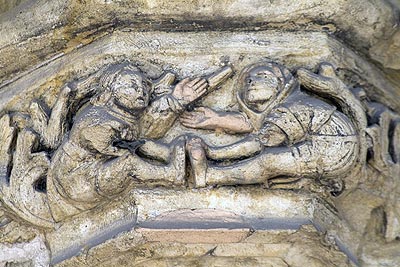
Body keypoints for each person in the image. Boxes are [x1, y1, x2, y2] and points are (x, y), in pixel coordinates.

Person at [47, 63, 208, 221]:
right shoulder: (96, 116)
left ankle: (170, 156)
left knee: (141, 145)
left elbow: (149, 125)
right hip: (77, 180)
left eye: (144, 86)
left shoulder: (126, 116)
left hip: (94, 174)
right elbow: (98, 137)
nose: (141, 91)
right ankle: (171, 175)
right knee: (129, 162)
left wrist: (176, 101)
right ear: (111, 92)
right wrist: (123, 146)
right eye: (131, 85)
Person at [180, 62, 359, 189]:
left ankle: (210, 175)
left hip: (332, 148)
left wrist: (214, 152)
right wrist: (217, 119)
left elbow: (259, 141)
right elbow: (255, 125)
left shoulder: (293, 106)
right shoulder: (281, 110)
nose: (251, 82)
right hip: (335, 149)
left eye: (262, 76)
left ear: (280, 86)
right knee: (272, 160)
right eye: (248, 79)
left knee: (268, 161)